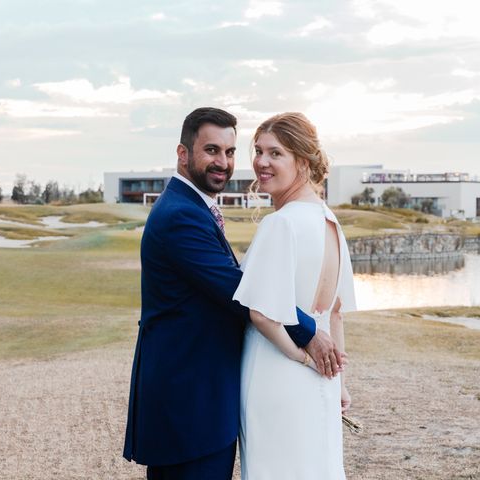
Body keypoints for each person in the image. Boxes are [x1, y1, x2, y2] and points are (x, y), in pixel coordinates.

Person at [123, 107, 343, 480]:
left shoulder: (197, 209)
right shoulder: (180, 215)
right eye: (211, 150)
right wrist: (309, 332)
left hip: (205, 399)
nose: (222, 162)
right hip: (188, 401)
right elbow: (241, 291)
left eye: (229, 152)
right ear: (182, 154)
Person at [233, 112, 357, 479]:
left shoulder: (280, 223)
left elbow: (262, 315)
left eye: (276, 153)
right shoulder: (330, 222)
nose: (261, 162)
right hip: (324, 379)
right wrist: (339, 383)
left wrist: (301, 358)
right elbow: (335, 313)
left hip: (277, 372)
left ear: (302, 161)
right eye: (258, 151)